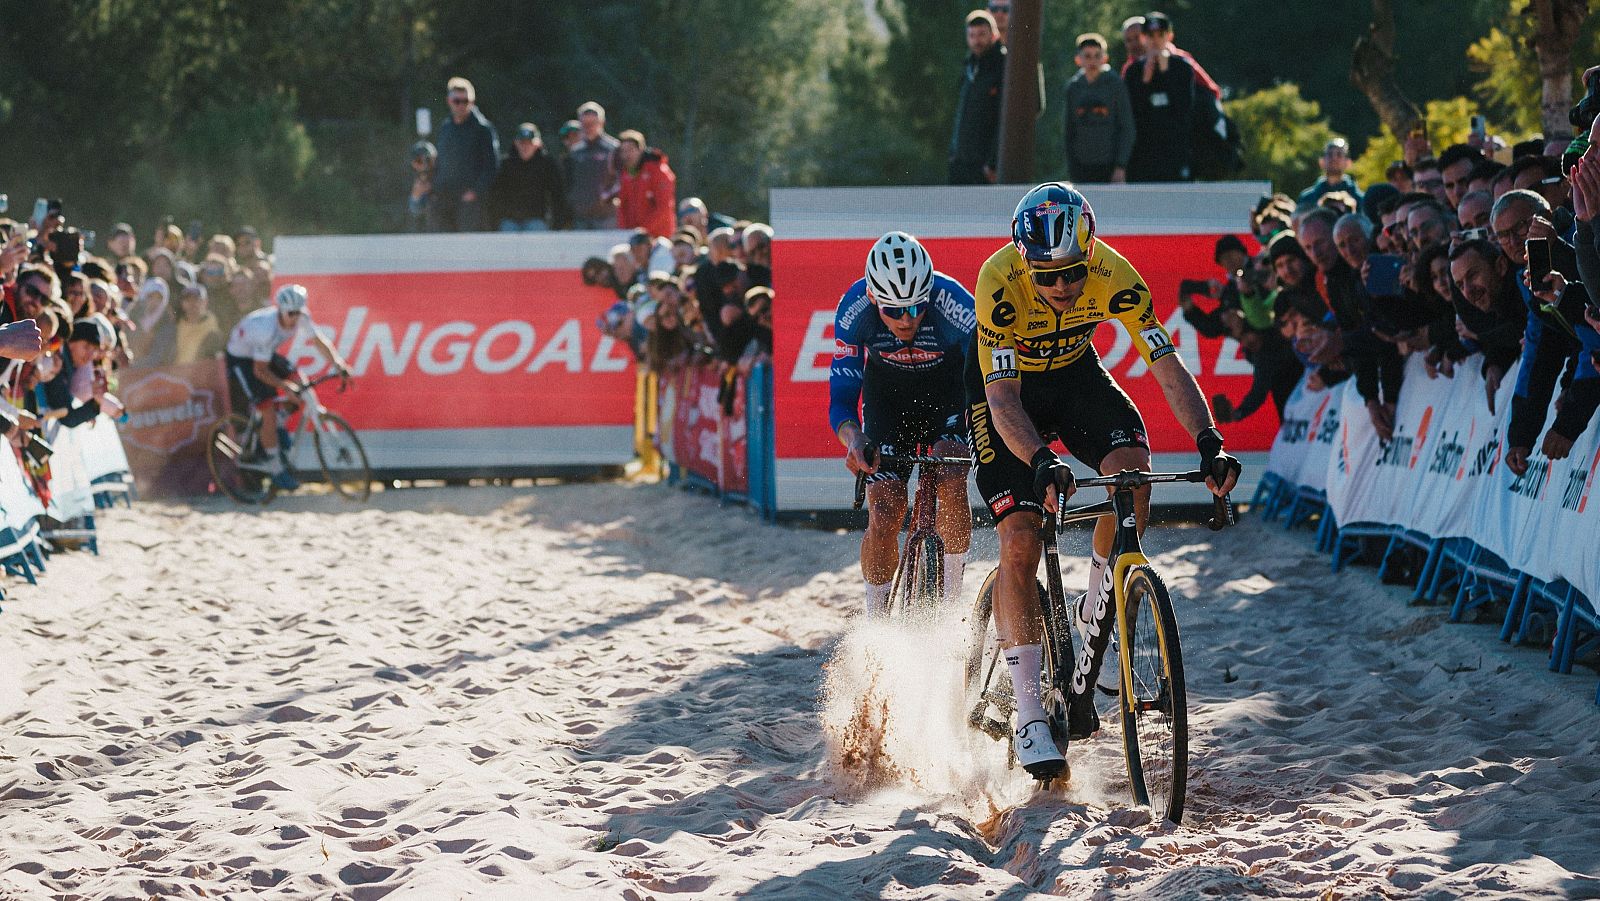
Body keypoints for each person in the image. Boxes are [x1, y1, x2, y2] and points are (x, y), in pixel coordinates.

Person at [967, 183, 1240, 778]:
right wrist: (1038, 458)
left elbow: (1165, 364)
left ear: (1091, 253)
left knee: (1131, 477)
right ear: (1024, 261)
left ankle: (1094, 615)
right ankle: (1031, 714)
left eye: (1071, 273)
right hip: (1007, 394)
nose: (1061, 286)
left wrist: (1209, 440)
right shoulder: (999, 281)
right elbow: (1005, 401)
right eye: (1047, 276)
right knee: (1020, 536)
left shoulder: (1116, 274)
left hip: (1075, 376)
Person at [829, 232, 976, 617]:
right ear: (875, 299)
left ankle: (949, 608)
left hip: (947, 394)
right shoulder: (854, 309)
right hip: (887, 401)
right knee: (884, 512)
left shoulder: (956, 304)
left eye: (916, 307)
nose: (907, 319)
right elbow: (842, 398)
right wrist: (854, 438)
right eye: (894, 310)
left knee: (953, 472)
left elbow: (986, 380)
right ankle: (876, 622)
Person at [223, 284, 352, 491]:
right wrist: (285, 387)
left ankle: (278, 424)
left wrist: (339, 364)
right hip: (242, 360)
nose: (295, 317)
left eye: (298, 312)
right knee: (267, 408)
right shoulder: (265, 330)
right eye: (291, 313)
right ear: (281, 310)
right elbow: (260, 372)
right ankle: (274, 466)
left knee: (301, 383)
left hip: (262, 355)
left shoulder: (301, 315)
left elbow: (319, 342)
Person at [1124, 13, 1198, 182]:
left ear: (1169, 36)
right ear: (1143, 38)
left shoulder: (1183, 68)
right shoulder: (1133, 71)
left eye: (1160, 35)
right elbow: (1132, 112)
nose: (1155, 40)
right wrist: (1145, 81)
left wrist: (1166, 73)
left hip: (1176, 150)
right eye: (1150, 35)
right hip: (1145, 153)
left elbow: (1184, 108)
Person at [1062, 33, 1134, 184]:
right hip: (1082, 167)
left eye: (1097, 56)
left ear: (1104, 58)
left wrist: (1121, 166)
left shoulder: (1115, 86)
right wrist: (1072, 168)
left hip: (1109, 165)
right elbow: (1069, 131)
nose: (1092, 61)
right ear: (1078, 60)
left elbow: (1127, 127)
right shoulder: (1074, 88)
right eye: (1087, 56)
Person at [430, 77, 500, 232]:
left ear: (472, 102)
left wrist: (474, 193)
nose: (461, 105)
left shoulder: (483, 129)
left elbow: (491, 167)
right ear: (449, 101)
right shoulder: (446, 128)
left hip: (469, 203)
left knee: (466, 248)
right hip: (445, 199)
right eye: (457, 101)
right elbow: (440, 162)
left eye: (466, 101)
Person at [949, 10, 1005, 185]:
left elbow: (1005, 120)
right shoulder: (969, 66)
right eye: (972, 35)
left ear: (993, 35)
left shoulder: (1003, 65)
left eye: (982, 34)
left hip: (985, 165)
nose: (977, 41)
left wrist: (993, 162)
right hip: (961, 161)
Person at [488, 123, 571, 231]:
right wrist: (495, 222)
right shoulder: (505, 165)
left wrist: (556, 224)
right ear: (516, 143)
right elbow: (495, 196)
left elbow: (557, 195)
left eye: (529, 143)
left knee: (537, 230)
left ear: (538, 144)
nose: (525, 146)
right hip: (509, 220)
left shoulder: (547, 165)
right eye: (522, 142)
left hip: (537, 220)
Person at [613, 129, 677, 239]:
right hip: (635, 238)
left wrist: (644, 230)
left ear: (640, 149)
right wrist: (625, 231)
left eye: (630, 150)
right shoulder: (625, 174)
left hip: (659, 236)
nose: (626, 155)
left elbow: (664, 207)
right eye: (623, 151)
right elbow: (623, 206)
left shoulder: (659, 171)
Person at [568, 102, 621, 229]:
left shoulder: (613, 148)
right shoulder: (575, 151)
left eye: (592, 124)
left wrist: (609, 196)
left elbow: (621, 179)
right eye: (584, 124)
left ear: (601, 123)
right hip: (581, 215)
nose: (588, 128)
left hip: (606, 215)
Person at [1297, 139, 1362, 211]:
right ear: (1321, 162)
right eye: (1330, 154)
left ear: (1348, 162)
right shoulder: (1307, 199)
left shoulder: (1360, 199)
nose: (1334, 158)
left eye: (1339, 154)